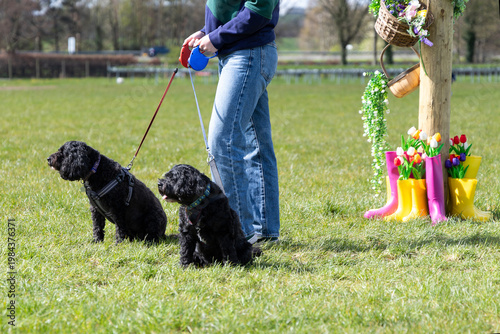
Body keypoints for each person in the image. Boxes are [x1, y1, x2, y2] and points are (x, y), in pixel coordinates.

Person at [183, 0, 280, 244]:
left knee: (222, 141)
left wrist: (216, 37)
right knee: (257, 144)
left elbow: (258, 11)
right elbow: (233, 8)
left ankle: (239, 234)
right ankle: (264, 231)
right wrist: (207, 32)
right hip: (239, 54)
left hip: (247, 55)